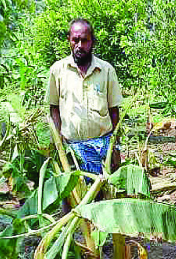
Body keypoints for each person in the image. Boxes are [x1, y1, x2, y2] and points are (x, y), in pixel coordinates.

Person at [47, 19, 122, 176]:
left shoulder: (106, 70)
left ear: (92, 41)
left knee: (104, 189)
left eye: (85, 40)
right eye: (75, 40)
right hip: (72, 151)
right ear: (69, 40)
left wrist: (116, 149)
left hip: (103, 149)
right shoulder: (57, 70)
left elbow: (114, 111)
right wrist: (59, 145)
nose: (80, 45)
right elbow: (54, 108)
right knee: (76, 190)